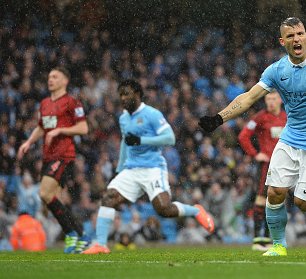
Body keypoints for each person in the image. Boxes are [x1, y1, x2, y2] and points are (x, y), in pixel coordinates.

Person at [199, 17, 306, 256]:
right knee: (274, 192)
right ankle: (278, 246)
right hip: (290, 139)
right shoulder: (277, 70)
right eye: (290, 36)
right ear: (282, 41)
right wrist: (218, 118)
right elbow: (249, 97)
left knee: (303, 203)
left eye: (299, 34)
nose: (296, 39)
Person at [82, 79, 215, 254]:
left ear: (137, 95)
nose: (122, 98)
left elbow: (170, 139)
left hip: (153, 167)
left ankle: (195, 210)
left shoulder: (152, 114)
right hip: (131, 169)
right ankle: (101, 244)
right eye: (120, 94)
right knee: (108, 198)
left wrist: (141, 140)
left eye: (126, 94)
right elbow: (125, 141)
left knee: (164, 209)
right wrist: (120, 168)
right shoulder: (123, 118)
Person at [17, 67, 92, 253]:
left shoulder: (72, 102)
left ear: (65, 81)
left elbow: (83, 128)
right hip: (48, 156)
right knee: (54, 200)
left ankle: (71, 233)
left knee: (44, 193)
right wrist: (28, 142)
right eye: (49, 76)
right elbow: (42, 127)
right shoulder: (44, 103)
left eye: (55, 76)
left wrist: (61, 131)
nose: (50, 79)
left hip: (64, 155)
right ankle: (82, 235)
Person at [237, 90, 287, 251]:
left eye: (273, 98)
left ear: (280, 100)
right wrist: (255, 154)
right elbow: (243, 136)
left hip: (284, 165)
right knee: (261, 198)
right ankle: (258, 240)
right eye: (268, 99)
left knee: (275, 201)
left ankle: (266, 238)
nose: (270, 102)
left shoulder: (287, 117)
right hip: (267, 165)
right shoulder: (260, 117)